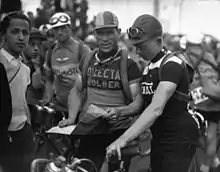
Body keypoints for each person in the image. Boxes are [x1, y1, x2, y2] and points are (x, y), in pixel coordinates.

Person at [106, 14, 199, 172]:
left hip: (179, 138)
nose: (137, 50)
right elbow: (140, 105)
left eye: (142, 46)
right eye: (135, 45)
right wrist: (117, 111)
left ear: (158, 41)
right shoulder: (149, 68)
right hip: (159, 137)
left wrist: (122, 140)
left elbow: (156, 108)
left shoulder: (172, 64)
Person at [59, 11, 143, 170]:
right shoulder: (87, 60)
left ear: (118, 33)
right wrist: (71, 118)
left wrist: (119, 111)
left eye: (110, 33)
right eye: (100, 33)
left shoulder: (128, 64)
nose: (105, 39)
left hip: (117, 134)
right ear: (94, 34)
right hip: (89, 131)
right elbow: (76, 91)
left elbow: (138, 103)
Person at [0, 11, 34, 172]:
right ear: (4, 34)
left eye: (25, 33)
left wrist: (28, 125)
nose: (21, 37)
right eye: (15, 32)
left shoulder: (26, 68)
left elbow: (22, 100)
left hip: (23, 134)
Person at [185, 34, 220, 172]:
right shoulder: (209, 56)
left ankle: (205, 164)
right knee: (211, 136)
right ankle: (208, 165)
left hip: (198, 102)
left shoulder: (185, 57)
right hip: (214, 101)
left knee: (196, 135)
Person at [43, 12, 90, 110]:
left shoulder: (82, 49)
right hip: (60, 106)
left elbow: (92, 79)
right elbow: (49, 79)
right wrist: (48, 98)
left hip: (82, 107)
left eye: (63, 28)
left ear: (70, 28)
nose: (60, 32)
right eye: (56, 29)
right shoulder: (50, 52)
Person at [24, 28, 47, 105]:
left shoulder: (39, 60)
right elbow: (36, 84)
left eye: (39, 44)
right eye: (32, 44)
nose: (36, 48)